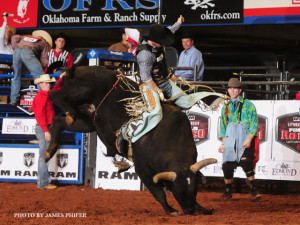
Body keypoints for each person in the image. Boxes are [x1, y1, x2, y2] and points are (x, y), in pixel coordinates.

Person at [116, 16, 224, 155]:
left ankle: (212, 97)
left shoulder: (158, 41)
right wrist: (158, 91)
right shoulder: (145, 54)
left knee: (186, 101)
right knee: (155, 112)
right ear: (155, 41)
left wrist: (178, 23)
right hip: (149, 86)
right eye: (163, 41)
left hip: (164, 81)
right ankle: (125, 131)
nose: (165, 42)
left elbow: (170, 31)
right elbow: (146, 78)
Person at [218, 77, 260, 201]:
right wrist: (223, 143)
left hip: (245, 136)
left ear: (239, 90)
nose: (231, 90)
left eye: (234, 88)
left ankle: (253, 190)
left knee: (246, 162)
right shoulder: (225, 106)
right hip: (230, 138)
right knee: (226, 165)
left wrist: (249, 139)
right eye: (230, 88)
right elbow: (224, 126)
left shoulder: (249, 105)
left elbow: (254, 123)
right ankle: (228, 191)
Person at [32, 73, 65, 189]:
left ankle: (43, 182)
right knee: (44, 155)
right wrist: (46, 131)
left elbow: (55, 89)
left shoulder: (45, 94)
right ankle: (43, 183)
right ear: (41, 84)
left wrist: (60, 79)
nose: (49, 86)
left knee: (44, 155)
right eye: (46, 84)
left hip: (45, 127)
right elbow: (40, 116)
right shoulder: (41, 97)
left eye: (49, 83)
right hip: (44, 127)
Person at [10, 30, 52, 106]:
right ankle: (41, 100)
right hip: (28, 52)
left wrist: (15, 47)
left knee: (16, 76)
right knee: (40, 77)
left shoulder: (26, 37)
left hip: (17, 51)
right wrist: (41, 68)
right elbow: (44, 59)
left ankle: (13, 100)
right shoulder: (43, 42)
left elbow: (14, 37)